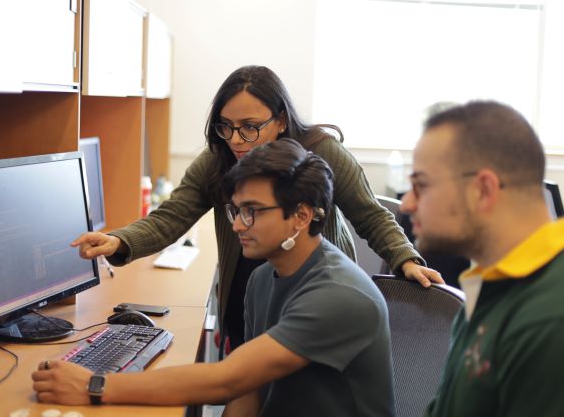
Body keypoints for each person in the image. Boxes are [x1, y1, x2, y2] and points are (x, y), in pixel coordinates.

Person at [71, 65, 442, 351]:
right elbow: (172, 217)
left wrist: (404, 259)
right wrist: (119, 241)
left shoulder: (321, 153)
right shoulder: (218, 159)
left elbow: (370, 214)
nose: (236, 139)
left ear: (280, 120)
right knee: (252, 381)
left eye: (250, 127)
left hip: (310, 291)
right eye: (226, 127)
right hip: (249, 287)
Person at [33, 138, 395, 416]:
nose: (237, 225)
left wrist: (96, 384)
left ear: (301, 216)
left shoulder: (339, 295)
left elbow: (228, 379)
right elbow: (247, 391)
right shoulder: (265, 277)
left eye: (252, 212)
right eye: (235, 210)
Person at [400, 100, 564, 417]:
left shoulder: (550, 318)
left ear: (483, 190)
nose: (406, 203)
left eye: (420, 185)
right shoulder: (493, 283)